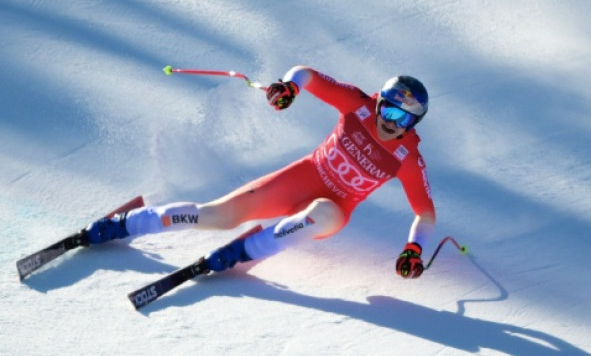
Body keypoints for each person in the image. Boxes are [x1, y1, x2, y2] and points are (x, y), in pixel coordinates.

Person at [81, 66, 436, 279]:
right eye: (389, 111)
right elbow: (308, 74)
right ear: (378, 102)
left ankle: (248, 249)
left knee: (322, 212)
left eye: (404, 119)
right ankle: (125, 224)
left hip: (333, 210)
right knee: (217, 215)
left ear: (414, 123)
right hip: (300, 179)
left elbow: (424, 212)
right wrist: (290, 86)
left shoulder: (407, 157)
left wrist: (414, 248)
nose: (392, 123)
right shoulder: (358, 105)